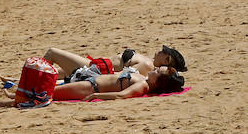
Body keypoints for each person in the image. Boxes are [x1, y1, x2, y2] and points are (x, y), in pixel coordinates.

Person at [53, 65, 184, 101]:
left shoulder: (143, 85)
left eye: (157, 71)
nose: (155, 69)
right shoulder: (144, 80)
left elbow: (121, 95)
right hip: (91, 80)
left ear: (157, 81)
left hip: (92, 87)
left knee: (49, 93)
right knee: (49, 89)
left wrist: (95, 96)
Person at [43, 45, 187, 78]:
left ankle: (30, 90)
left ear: (167, 60)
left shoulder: (147, 66)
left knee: (52, 53)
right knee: (51, 74)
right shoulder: (149, 62)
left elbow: (123, 77)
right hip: (97, 65)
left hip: (95, 69)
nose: (159, 51)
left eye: (163, 52)